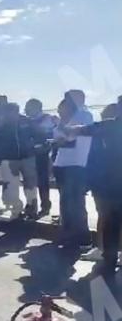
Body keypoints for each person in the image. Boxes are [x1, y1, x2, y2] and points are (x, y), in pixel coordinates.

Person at [69, 99, 122, 274]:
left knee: (111, 223)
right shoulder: (110, 125)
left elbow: (83, 130)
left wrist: (69, 130)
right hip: (111, 184)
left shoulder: (110, 125)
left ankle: (110, 260)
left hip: (111, 184)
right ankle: (110, 259)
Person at [53, 96, 93, 248]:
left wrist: (60, 134)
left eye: (62, 109)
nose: (60, 112)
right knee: (65, 203)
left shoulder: (81, 123)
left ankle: (84, 239)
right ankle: (68, 235)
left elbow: (68, 140)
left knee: (77, 204)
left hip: (76, 167)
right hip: (61, 166)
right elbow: (59, 141)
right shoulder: (61, 125)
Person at [0, 102, 38, 219]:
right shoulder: (1, 124)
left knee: (31, 185)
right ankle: (16, 209)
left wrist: (35, 147)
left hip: (27, 157)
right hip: (8, 159)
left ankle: (31, 208)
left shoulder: (27, 121)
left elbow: (38, 134)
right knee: (11, 187)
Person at [25, 98, 58, 216]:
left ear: (36, 108)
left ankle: (45, 206)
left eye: (28, 107)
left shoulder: (49, 119)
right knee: (30, 182)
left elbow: (55, 135)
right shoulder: (26, 121)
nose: (25, 110)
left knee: (43, 182)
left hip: (43, 155)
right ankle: (31, 206)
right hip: (29, 155)